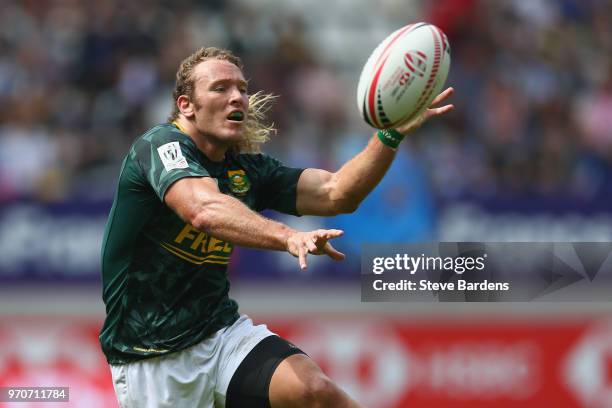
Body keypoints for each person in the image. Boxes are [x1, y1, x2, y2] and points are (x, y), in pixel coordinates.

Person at [99, 46, 453, 408]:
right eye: (220, 88)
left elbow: (337, 193)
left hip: (220, 335)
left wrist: (390, 135)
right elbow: (203, 209)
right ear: (187, 105)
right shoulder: (159, 145)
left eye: (241, 88)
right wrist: (287, 236)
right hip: (149, 357)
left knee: (315, 391)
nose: (236, 96)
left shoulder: (248, 170)